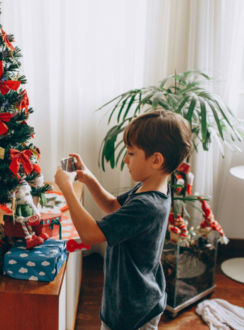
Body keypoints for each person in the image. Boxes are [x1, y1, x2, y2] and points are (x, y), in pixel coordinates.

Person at [54, 110, 192, 330]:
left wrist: (67, 190)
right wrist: (88, 179)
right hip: (137, 298)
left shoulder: (146, 205)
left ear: (156, 160)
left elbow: (90, 235)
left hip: (133, 310)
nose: (126, 159)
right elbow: (111, 206)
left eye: (131, 152)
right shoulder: (151, 188)